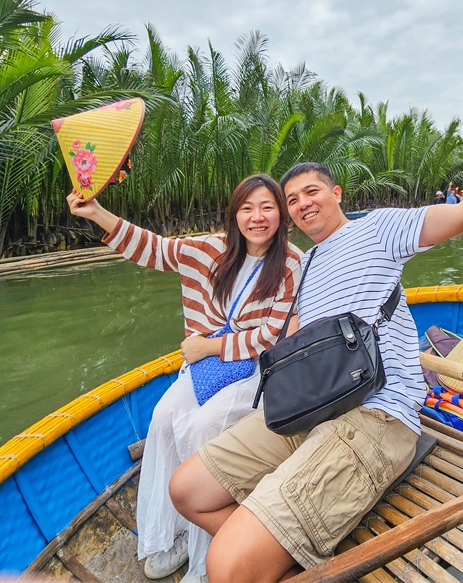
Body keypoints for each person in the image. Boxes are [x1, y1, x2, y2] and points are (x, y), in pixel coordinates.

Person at [167, 103, 463, 583]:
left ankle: (252, 556)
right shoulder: (307, 264)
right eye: (292, 200)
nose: (302, 204)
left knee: (227, 566)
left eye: (311, 191)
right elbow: (292, 336)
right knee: (187, 490)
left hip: (377, 413)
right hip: (314, 407)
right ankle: (271, 554)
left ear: (336, 194)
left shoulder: (378, 229)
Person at [67, 174, 303, 583]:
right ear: (235, 215)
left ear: (281, 214)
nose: (257, 217)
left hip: (255, 369)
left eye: (267, 207)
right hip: (206, 369)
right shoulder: (210, 250)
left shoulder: (291, 263)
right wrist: (96, 213)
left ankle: (207, 555)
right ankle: (168, 536)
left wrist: (209, 347)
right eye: (247, 208)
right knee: (161, 419)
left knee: (203, 428)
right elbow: (153, 249)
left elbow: (274, 334)